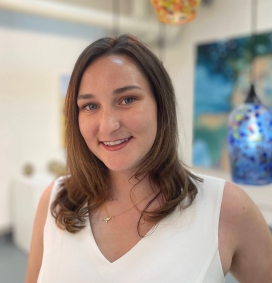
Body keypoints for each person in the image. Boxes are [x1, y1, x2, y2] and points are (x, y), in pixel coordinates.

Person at [26, 34, 272, 283]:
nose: (108, 125)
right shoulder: (55, 200)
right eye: (90, 106)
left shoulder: (226, 208)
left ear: (160, 105)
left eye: (128, 100)